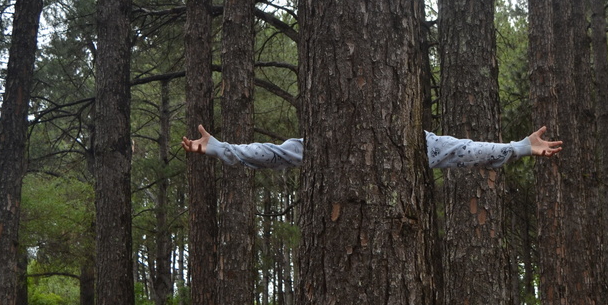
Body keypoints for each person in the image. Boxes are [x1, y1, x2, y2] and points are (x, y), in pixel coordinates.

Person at [181, 124, 562, 169]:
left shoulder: (419, 143)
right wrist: (219, 148)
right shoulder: (327, 141)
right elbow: (272, 154)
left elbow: (468, 151)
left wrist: (520, 148)